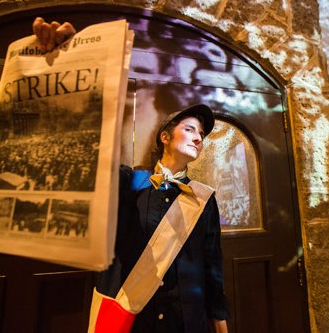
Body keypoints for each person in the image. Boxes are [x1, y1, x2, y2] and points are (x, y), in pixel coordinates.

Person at [33, 18, 230, 333]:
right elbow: (80, 151)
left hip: (188, 323)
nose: (198, 138)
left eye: (202, 134)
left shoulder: (203, 198)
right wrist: (66, 68)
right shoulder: (129, 182)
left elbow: (212, 267)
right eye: (190, 129)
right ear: (164, 137)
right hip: (131, 320)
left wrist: (220, 325)